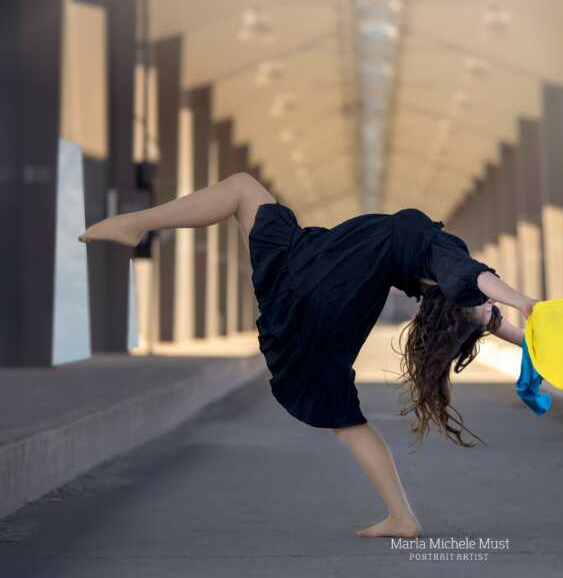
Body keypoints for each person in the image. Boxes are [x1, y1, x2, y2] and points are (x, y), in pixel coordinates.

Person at [79, 171, 538, 538]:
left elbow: (480, 281)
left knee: (241, 188)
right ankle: (402, 517)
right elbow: (487, 313)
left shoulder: (449, 265)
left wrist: (522, 302)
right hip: (324, 277)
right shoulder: (442, 279)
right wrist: (528, 335)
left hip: (318, 270)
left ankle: (137, 223)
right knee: (344, 416)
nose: (489, 305)